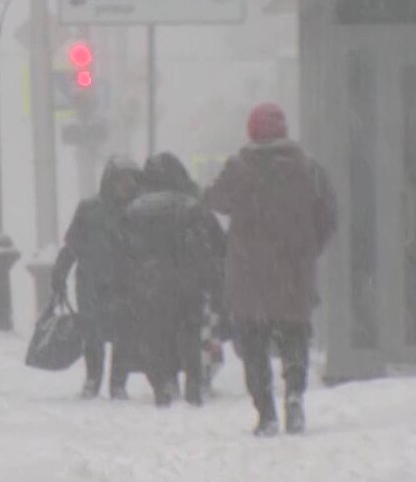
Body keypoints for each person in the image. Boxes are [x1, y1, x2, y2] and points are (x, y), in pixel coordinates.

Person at [204, 103, 337, 436]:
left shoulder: (240, 167)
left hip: (250, 274)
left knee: (254, 345)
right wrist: (308, 249)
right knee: (294, 337)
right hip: (294, 272)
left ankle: (266, 413)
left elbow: (216, 200)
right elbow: (329, 216)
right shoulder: (310, 169)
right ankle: (294, 395)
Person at [119, 153, 224, 407]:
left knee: (156, 335)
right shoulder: (191, 206)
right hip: (188, 280)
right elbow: (216, 244)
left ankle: (164, 384)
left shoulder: (134, 210)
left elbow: (124, 251)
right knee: (189, 331)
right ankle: (193, 382)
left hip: (149, 283)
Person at [52, 156, 143, 400]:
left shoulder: (138, 212)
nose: (128, 185)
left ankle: (118, 383)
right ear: (110, 181)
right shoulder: (89, 209)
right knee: (92, 333)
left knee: (124, 333)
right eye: (123, 180)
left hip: (125, 283)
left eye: (132, 180)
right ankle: (93, 378)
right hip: (91, 282)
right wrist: (60, 273)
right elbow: (72, 244)